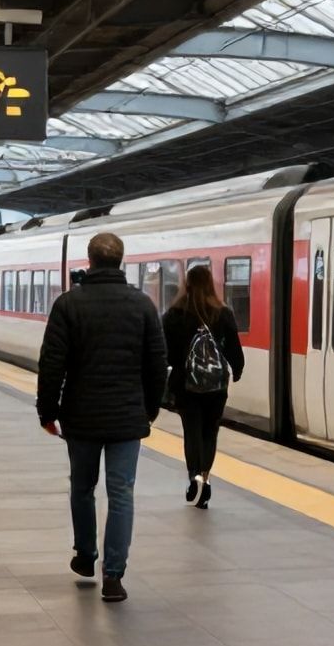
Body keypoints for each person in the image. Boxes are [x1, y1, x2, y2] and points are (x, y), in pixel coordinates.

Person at [37, 233, 165, 603]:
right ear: (121, 261)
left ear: (89, 261)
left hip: (81, 416)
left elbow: (52, 364)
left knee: (82, 487)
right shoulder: (142, 305)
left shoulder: (68, 305)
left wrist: (48, 411)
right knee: (121, 492)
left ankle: (85, 555)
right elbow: (157, 365)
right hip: (127, 416)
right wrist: (150, 408)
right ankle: (114, 575)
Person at [161, 265, 245, 509]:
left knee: (192, 432)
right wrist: (237, 370)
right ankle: (205, 479)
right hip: (216, 386)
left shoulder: (174, 314)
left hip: (186, 385)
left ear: (186, 284)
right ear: (211, 284)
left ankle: (194, 477)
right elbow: (234, 350)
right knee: (210, 432)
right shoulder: (223, 313)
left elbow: (166, 353)